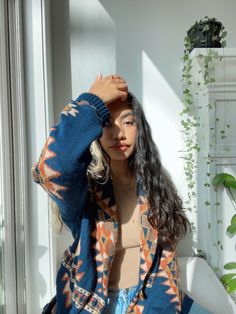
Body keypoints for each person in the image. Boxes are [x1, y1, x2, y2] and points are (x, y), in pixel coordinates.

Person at [32, 74, 211, 313]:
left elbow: (165, 263)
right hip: (97, 305)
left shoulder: (155, 187)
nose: (119, 134)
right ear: (95, 130)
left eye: (128, 122)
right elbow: (53, 169)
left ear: (140, 128)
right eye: (107, 124)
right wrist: (92, 101)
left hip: (149, 298)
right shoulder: (86, 191)